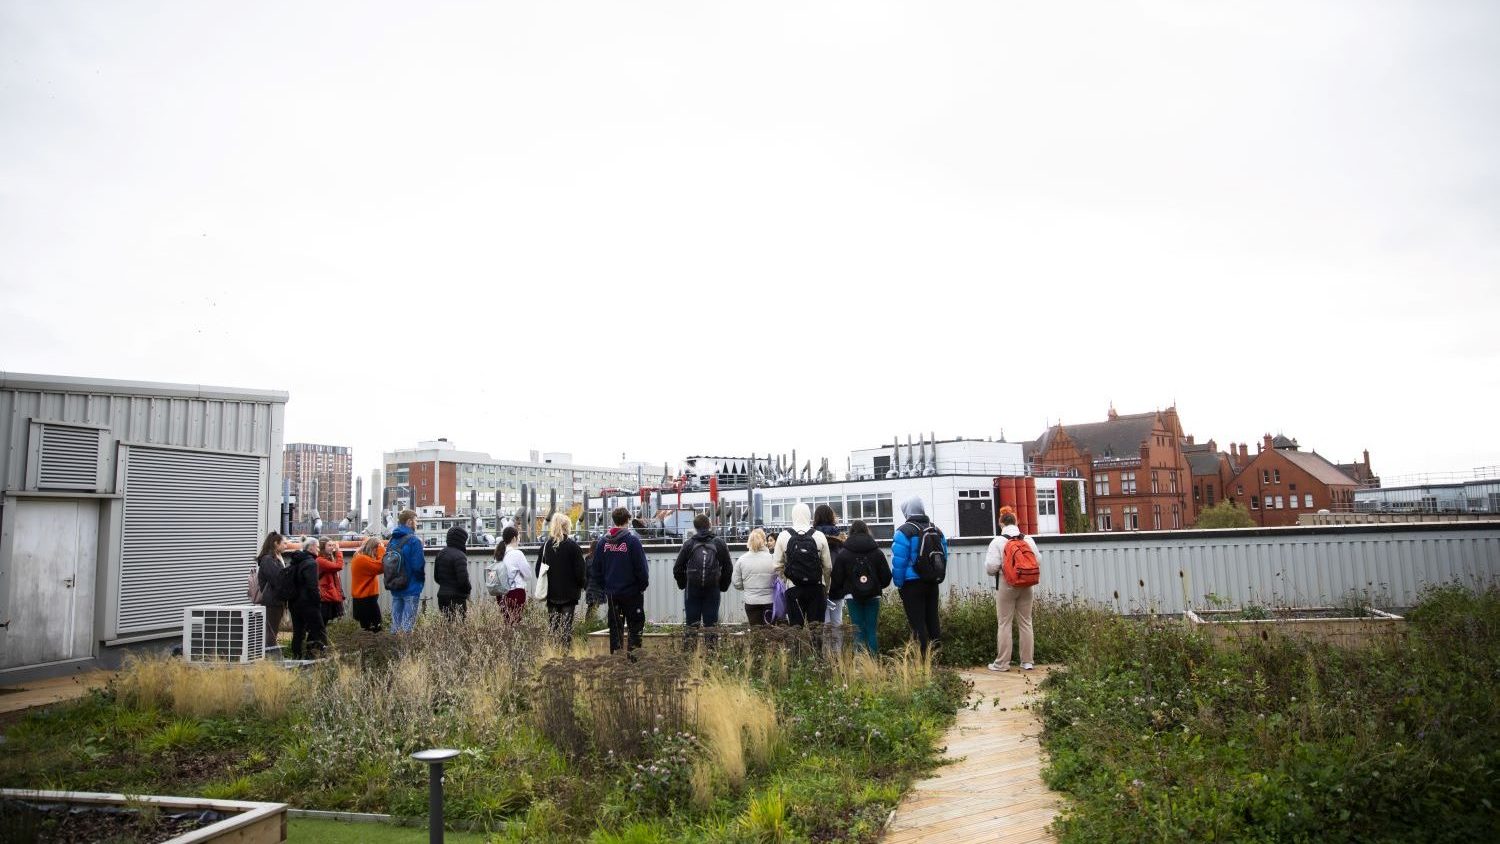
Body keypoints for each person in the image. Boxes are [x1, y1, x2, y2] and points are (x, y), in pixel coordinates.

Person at [891, 496, 948, 657]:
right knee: (932, 619)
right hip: (932, 582)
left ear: (907, 511)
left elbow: (899, 562)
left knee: (917, 623)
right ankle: (937, 657)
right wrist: (935, 575)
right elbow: (944, 556)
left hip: (912, 584)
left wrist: (899, 584)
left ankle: (922, 662)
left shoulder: (903, 532)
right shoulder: (936, 530)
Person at [985, 507, 1039, 671]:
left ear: (1001, 523)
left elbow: (990, 568)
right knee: (1026, 622)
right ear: (1017, 522)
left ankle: (1002, 664)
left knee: (1004, 623)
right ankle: (1027, 662)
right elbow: (1038, 560)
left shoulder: (997, 541)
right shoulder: (1028, 539)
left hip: (1006, 584)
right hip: (1027, 584)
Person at [590, 507, 649, 654]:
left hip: (612, 595)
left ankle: (616, 664)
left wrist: (607, 587)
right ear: (627, 521)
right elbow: (642, 569)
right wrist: (641, 587)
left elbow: (595, 570)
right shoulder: (633, 542)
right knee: (635, 628)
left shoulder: (603, 543)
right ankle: (633, 662)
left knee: (615, 630)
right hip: (632, 594)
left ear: (614, 521)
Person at [829, 520, 892, 654]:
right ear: (867, 531)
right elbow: (886, 577)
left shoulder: (844, 553)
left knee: (857, 629)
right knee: (871, 629)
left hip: (852, 596)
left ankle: (860, 667)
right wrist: (876, 585)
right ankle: (873, 664)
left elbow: (836, 579)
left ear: (851, 532)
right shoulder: (877, 552)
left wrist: (844, 588)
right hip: (873, 595)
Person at [673, 513, 733, 645]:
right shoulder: (719, 542)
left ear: (695, 527)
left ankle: (689, 656)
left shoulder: (689, 543)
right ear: (709, 525)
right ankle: (711, 658)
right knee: (711, 625)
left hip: (692, 590)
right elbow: (728, 567)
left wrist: (684, 584)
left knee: (691, 625)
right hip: (712, 589)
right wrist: (722, 586)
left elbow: (677, 568)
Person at [773, 503, 833, 627]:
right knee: (816, 630)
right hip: (816, 588)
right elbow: (828, 567)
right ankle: (815, 647)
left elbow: (777, 565)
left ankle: (797, 647)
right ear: (809, 516)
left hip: (793, 588)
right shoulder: (819, 536)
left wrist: (787, 580)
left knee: (795, 629)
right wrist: (826, 587)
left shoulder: (783, 536)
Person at [537, 513, 587, 641]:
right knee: (566, 630)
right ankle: (565, 656)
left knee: (553, 629)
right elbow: (580, 572)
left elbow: (539, 571)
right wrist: (582, 585)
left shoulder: (545, 546)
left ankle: (553, 654)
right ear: (567, 527)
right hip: (569, 595)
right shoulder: (573, 547)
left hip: (551, 594)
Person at [388, 509, 427, 633]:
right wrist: (420, 581)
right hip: (411, 586)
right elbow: (418, 566)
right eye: (416, 521)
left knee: (396, 624)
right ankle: (405, 650)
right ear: (409, 522)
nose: (417, 524)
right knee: (407, 626)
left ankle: (393, 647)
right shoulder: (414, 541)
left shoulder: (392, 540)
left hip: (395, 585)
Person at [287, 539, 325, 658]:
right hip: (308, 603)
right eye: (318, 547)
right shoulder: (311, 563)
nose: (319, 549)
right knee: (319, 630)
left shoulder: (296, 560)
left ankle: (296, 657)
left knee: (298, 632)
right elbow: (312, 586)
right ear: (311, 547)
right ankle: (316, 656)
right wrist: (318, 601)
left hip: (294, 602)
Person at [733, 528, 777, 626]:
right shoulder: (773, 558)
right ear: (764, 541)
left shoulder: (741, 560)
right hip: (770, 601)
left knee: (756, 633)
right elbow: (779, 579)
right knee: (771, 633)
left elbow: (736, 583)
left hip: (751, 601)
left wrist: (748, 588)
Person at [253, 532, 288, 648]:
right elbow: (277, 579)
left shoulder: (274, 558)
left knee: (272, 630)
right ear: (275, 544)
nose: (286, 546)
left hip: (276, 600)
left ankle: (269, 654)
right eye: (284, 543)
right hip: (272, 601)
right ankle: (268, 657)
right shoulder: (268, 560)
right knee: (271, 632)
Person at [434, 525, 472, 618]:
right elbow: (463, 580)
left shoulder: (441, 553)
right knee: (458, 628)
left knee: (447, 626)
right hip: (457, 598)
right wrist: (468, 590)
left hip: (442, 596)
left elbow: (436, 577)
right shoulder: (460, 555)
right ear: (460, 540)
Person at [493, 526, 529, 623]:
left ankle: (507, 638)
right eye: (519, 537)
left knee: (507, 622)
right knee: (515, 622)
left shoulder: (498, 553)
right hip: (515, 592)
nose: (519, 540)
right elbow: (527, 574)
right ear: (514, 538)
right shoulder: (517, 553)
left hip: (500, 594)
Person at [349, 536, 384, 632]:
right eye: (377, 550)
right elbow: (382, 566)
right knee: (375, 628)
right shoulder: (362, 559)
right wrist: (381, 549)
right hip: (365, 600)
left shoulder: (361, 557)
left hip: (364, 599)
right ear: (374, 548)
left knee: (369, 628)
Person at [316, 538, 345, 624]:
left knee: (325, 622)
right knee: (322, 621)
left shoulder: (329, 558)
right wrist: (338, 552)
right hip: (325, 596)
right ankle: (317, 637)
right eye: (329, 545)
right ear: (322, 547)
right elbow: (338, 566)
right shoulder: (320, 560)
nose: (332, 547)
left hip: (329, 594)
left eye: (333, 545)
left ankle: (319, 637)